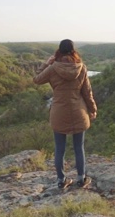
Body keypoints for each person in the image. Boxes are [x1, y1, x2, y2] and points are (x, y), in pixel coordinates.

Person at [33, 39, 97, 188]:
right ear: (74, 51)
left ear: (59, 51)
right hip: (78, 112)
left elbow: (36, 79)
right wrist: (93, 109)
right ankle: (81, 178)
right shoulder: (81, 68)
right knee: (78, 147)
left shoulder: (53, 68)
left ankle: (61, 180)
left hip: (59, 113)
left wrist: (46, 63)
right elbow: (87, 92)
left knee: (59, 148)